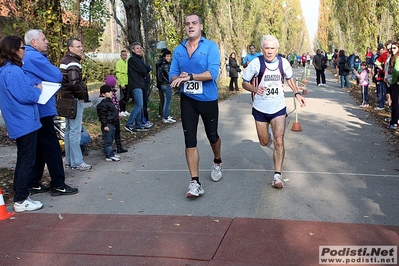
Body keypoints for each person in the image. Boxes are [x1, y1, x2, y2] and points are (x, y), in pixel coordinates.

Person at [242, 35, 306, 189]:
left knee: (279, 140)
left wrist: (297, 93)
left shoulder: (283, 63)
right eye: (266, 48)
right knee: (264, 142)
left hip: (278, 108)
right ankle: (267, 138)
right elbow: (244, 83)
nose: (269, 51)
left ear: (277, 50)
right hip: (260, 108)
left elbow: (290, 79)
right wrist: (255, 89)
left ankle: (277, 175)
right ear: (261, 49)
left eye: (272, 48)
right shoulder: (256, 63)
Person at [170, 13, 223, 198]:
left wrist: (191, 76)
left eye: (194, 23)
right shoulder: (178, 50)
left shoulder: (210, 46)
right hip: (188, 99)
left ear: (201, 26)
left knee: (212, 135)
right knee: (189, 139)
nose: (190, 26)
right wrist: (177, 79)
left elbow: (212, 73)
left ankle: (217, 161)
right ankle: (195, 182)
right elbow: (173, 74)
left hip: (208, 98)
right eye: (187, 24)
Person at [22, 29, 78, 196]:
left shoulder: (27, 56)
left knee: (40, 147)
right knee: (52, 146)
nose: (47, 42)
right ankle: (58, 184)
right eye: (44, 39)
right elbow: (56, 75)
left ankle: (33, 182)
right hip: (42, 107)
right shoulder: (34, 57)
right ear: (33, 42)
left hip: (36, 107)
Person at [0, 36, 43, 212]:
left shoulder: (7, 70)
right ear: (14, 50)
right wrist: (37, 91)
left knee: (24, 158)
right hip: (23, 120)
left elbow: (20, 89)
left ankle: (22, 195)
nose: (24, 50)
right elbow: (25, 95)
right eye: (22, 48)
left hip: (19, 119)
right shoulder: (13, 71)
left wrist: (31, 86)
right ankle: (21, 198)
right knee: (26, 160)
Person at [59, 38, 92, 171]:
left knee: (68, 130)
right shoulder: (74, 63)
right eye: (77, 46)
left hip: (66, 99)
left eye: (81, 46)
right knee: (75, 131)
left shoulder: (64, 61)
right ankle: (77, 161)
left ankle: (69, 160)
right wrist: (81, 96)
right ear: (70, 48)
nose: (81, 48)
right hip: (73, 100)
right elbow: (74, 83)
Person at [124, 42, 150, 133]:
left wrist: (146, 69)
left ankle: (139, 124)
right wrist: (145, 70)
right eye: (137, 48)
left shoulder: (139, 59)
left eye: (140, 48)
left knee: (140, 104)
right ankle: (129, 124)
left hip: (140, 84)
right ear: (133, 50)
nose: (139, 50)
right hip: (135, 84)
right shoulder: (132, 60)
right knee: (139, 104)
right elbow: (143, 70)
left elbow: (147, 68)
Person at [95, 85, 121, 162]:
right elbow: (102, 116)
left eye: (111, 92)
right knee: (107, 140)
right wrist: (105, 125)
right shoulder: (102, 104)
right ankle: (109, 155)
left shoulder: (109, 101)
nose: (110, 93)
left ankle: (111, 153)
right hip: (108, 124)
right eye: (108, 92)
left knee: (111, 139)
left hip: (112, 123)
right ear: (103, 94)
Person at [103, 75, 128, 153]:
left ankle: (116, 146)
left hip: (114, 115)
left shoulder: (110, 92)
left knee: (114, 132)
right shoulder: (110, 94)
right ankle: (112, 148)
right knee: (112, 133)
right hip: (112, 116)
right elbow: (114, 105)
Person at [157, 49, 176, 123]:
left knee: (166, 100)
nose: (169, 58)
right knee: (167, 101)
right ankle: (166, 116)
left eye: (170, 56)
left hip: (164, 84)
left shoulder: (163, 64)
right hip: (166, 84)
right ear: (164, 57)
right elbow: (169, 75)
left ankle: (166, 115)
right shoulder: (165, 65)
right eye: (167, 56)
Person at [387, 41, 399, 129]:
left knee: (395, 103)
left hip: (396, 84)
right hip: (394, 82)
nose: (392, 50)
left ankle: (394, 122)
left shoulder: (397, 58)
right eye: (392, 48)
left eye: (394, 48)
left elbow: (396, 72)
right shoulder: (393, 57)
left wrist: (393, 82)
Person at [115, 50, 130, 117]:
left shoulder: (126, 62)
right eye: (123, 55)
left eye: (125, 55)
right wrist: (122, 83)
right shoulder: (119, 63)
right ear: (121, 55)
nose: (125, 56)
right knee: (122, 97)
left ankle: (124, 109)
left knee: (126, 97)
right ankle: (121, 110)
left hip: (127, 82)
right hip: (123, 82)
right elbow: (118, 74)